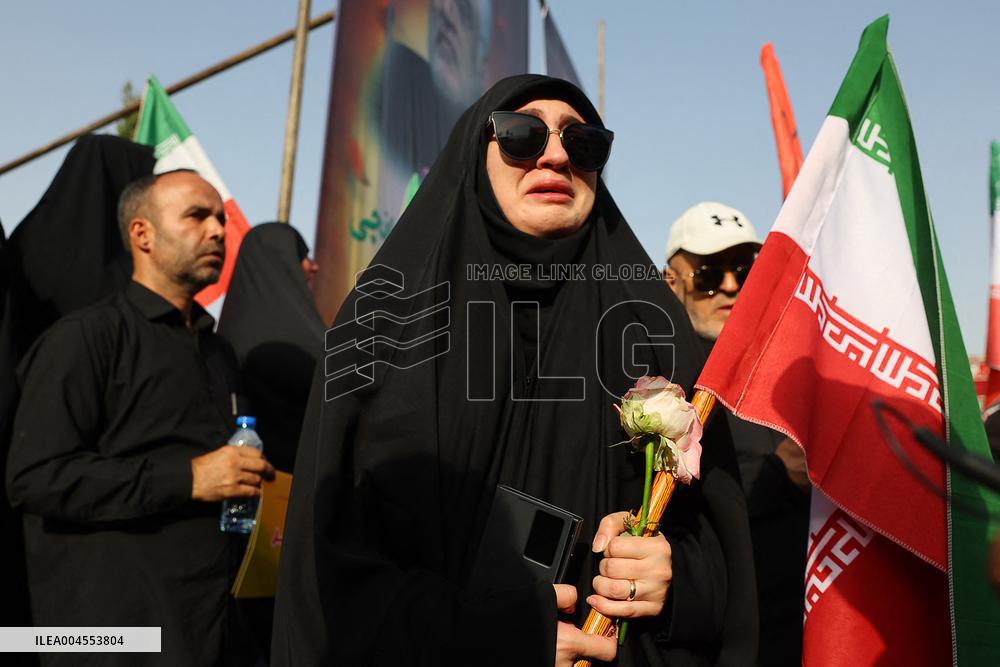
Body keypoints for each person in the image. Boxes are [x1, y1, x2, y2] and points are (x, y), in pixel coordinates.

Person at [273, 75, 756, 666]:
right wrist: (488, 640)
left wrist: (672, 579)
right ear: (474, 156)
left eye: (583, 144)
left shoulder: (655, 335)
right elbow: (327, 565)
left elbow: (724, 550)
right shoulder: (382, 323)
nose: (554, 154)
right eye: (521, 135)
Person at [6, 170, 275, 666]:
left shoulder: (220, 354)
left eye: (219, 218)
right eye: (197, 216)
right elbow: (34, 478)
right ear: (142, 234)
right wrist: (188, 477)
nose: (217, 230)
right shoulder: (86, 340)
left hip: (216, 630)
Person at [664, 201, 810, 666]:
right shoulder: (658, 382)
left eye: (743, 272)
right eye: (709, 274)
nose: (729, 287)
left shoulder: (789, 370)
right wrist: (780, 475)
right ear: (672, 282)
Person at [217, 222, 325, 475]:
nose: (313, 266)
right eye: (301, 256)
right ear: (282, 260)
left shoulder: (228, 334)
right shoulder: (291, 339)